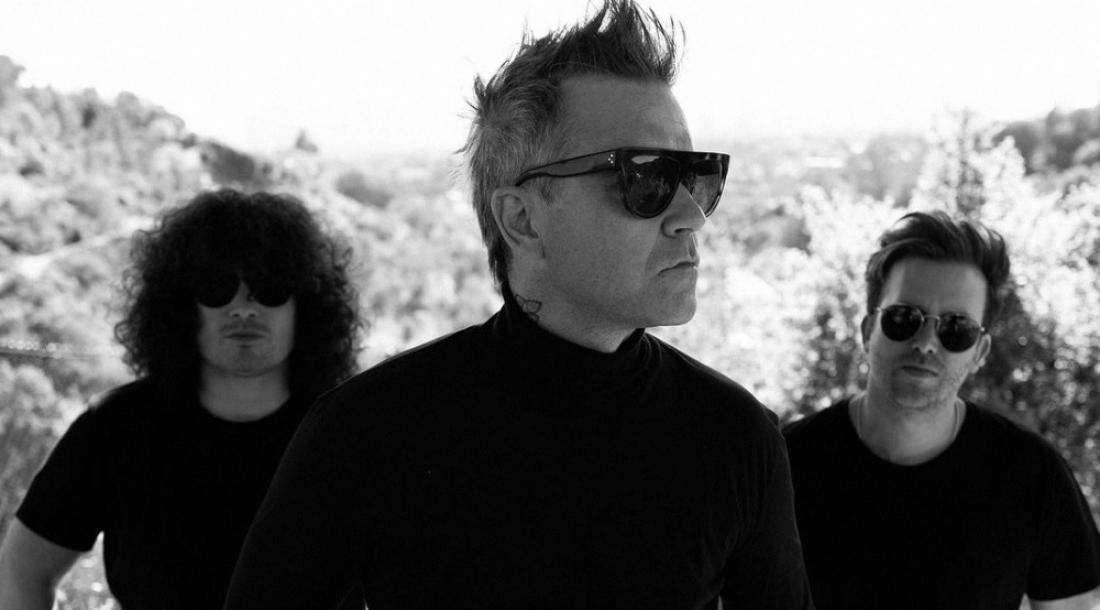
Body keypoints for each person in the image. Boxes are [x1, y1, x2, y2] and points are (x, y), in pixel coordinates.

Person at [225, 1, 813, 608]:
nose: (692, 215)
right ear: (522, 219)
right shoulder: (366, 435)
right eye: (646, 178)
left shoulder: (735, 438)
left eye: (696, 176)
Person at [0, 189, 363, 609]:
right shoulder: (116, 428)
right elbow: (23, 569)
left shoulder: (350, 432)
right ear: (181, 306)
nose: (243, 309)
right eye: (216, 288)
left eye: (270, 288)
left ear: (307, 305)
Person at [783, 210, 1100, 610]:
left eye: (956, 328)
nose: (926, 342)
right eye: (904, 318)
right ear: (867, 331)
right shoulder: (782, 465)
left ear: (979, 351)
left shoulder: (1034, 475)